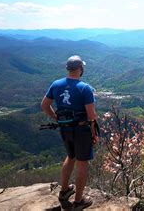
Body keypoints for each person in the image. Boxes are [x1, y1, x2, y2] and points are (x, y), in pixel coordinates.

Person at [41, 55, 98, 210]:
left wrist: (57, 118)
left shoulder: (56, 84)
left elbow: (45, 105)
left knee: (71, 156)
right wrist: (94, 133)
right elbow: (91, 115)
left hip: (65, 129)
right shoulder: (85, 88)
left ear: (68, 68)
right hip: (81, 130)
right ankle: (79, 201)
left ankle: (64, 190)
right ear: (81, 69)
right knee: (82, 164)